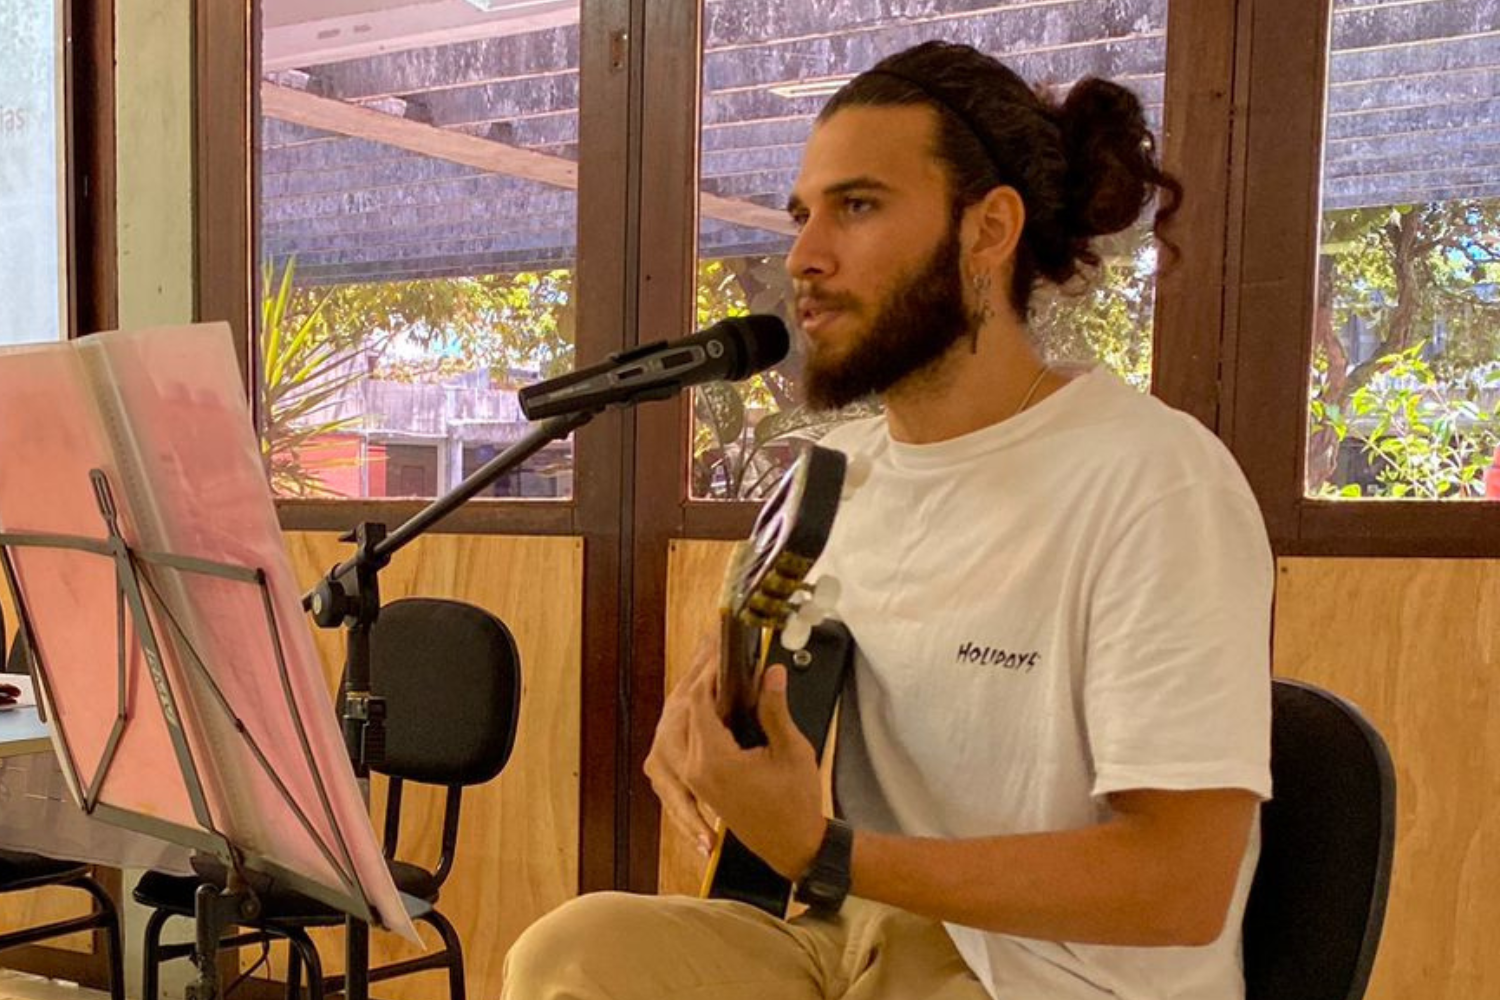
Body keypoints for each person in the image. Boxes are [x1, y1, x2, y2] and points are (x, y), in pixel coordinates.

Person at [502, 39, 1273, 1000]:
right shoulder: (835, 476)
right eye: (802, 215)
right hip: (851, 939)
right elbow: (747, 670)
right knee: (575, 953)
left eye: (857, 207)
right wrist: (703, 715)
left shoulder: (1155, 482)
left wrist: (829, 853)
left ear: (988, 229)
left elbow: (1180, 886)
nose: (804, 258)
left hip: (1044, 979)